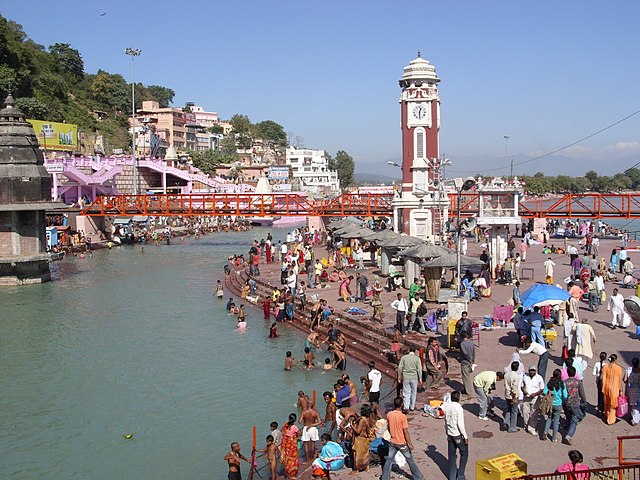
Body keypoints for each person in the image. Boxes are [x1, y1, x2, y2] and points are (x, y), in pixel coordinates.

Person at [380, 397, 424, 480]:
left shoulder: (389, 414)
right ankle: (418, 477)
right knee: (410, 459)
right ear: (401, 405)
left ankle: (385, 477)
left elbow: (388, 427)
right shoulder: (403, 417)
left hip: (392, 441)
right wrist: (410, 443)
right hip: (402, 442)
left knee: (389, 460)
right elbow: (405, 432)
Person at [442, 391, 468, 480]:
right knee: (464, 453)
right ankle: (460, 476)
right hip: (457, 435)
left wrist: (447, 431)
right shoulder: (458, 408)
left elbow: (444, 421)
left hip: (449, 434)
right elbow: (460, 424)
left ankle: (452, 477)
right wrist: (465, 436)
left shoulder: (446, 407)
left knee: (452, 456)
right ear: (458, 398)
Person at [542, 369, 568, 442]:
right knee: (556, 421)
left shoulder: (550, 382)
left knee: (549, 418)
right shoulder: (562, 384)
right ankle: (553, 438)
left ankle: (545, 432)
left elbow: (544, 391)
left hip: (550, 404)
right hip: (558, 404)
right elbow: (565, 395)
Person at [563, 365, 587, 445]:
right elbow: (582, 393)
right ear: (575, 373)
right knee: (574, 419)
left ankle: (567, 426)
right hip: (575, 403)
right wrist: (584, 402)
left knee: (568, 415)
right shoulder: (578, 382)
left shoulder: (564, 382)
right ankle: (569, 435)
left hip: (566, 403)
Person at [351, 403, 375, 472]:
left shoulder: (362, 420)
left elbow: (358, 431)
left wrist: (352, 425)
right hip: (365, 438)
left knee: (358, 454)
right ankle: (366, 467)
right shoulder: (368, 419)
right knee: (365, 453)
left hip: (360, 439)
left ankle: (357, 469)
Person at [521, 365, 545, 435]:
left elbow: (541, 389)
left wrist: (535, 394)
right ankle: (526, 426)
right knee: (525, 413)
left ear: (535, 371)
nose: (532, 372)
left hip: (535, 398)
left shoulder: (539, 378)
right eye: (531, 370)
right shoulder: (525, 377)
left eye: (533, 370)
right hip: (526, 398)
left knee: (534, 414)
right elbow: (522, 386)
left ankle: (532, 428)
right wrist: (524, 391)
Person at [398, 345, 423, 411]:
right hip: (414, 377)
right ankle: (412, 407)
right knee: (413, 392)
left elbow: (400, 368)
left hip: (406, 377)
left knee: (406, 392)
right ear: (415, 351)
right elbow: (419, 369)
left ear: (409, 350)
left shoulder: (404, 357)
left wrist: (399, 376)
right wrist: (420, 378)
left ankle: (406, 407)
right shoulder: (417, 358)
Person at [601, 353, 623, 425]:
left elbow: (603, 379)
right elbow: (619, 380)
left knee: (607, 402)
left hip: (606, 387)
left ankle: (606, 415)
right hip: (614, 388)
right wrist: (620, 389)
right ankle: (611, 420)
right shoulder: (618, 368)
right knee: (613, 404)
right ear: (615, 359)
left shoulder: (605, 367)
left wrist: (603, 387)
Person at [504, 361, 522, 433]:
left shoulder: (506, 375)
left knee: (509, 409)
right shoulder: (516, 376)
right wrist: (514, 398)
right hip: (513, 395)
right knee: (514, 412)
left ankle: (506, 422)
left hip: (507, 394)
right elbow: (514, 388)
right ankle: (512, 427)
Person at [281, 414, 300, 479]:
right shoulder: (294, 427)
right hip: (292, 445)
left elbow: (282, 432)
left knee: (288, 457)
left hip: (287, 445)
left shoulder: (285, 425)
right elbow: (300, 433)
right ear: (295, 420)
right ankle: (293, 475)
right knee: (293, 458)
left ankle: (288, 473)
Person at [623, 357, 640, 426]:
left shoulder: (628, 369)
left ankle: (631, 415)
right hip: (637, 390)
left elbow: (624, 380)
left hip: (629, 389)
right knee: (637, 405)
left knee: (630, 403)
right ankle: (635, 419)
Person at [459, 331, 476, 397]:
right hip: (470, 362)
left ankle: (468, 391)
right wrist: (473, 361)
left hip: (465, 362)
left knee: (465, 377)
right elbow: (473, 352)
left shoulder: (462, 344)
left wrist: (469, 359)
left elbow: (465, 353)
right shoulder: (471, 343)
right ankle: (465, 389)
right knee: (467, 375)